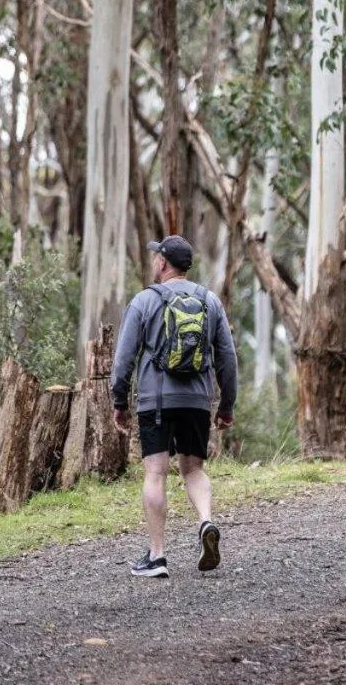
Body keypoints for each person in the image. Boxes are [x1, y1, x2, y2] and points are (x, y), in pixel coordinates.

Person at [111, 235, 238, 578]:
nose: (154, 261)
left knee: (155, 472)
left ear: (164, 263)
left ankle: (157, 557)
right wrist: (226, 405)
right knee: (193, 470)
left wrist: (119, 402)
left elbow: (124, 359)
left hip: (156, 400)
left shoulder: (144, 301)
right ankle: (206, 522)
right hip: (197, 400)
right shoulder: (210, 301)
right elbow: (227, 357)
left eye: (156, 257)